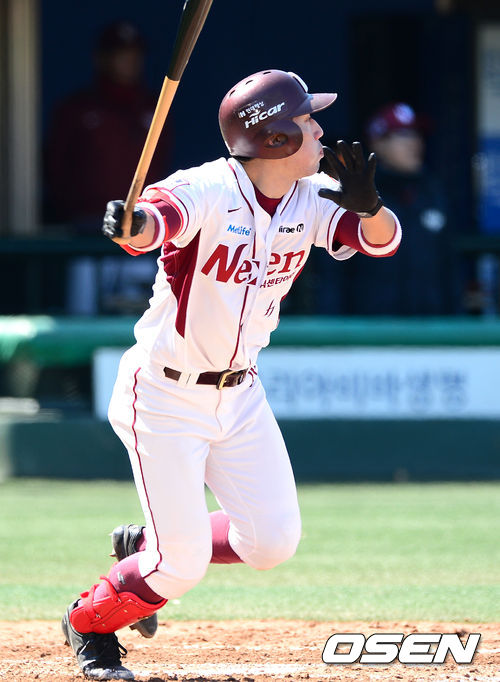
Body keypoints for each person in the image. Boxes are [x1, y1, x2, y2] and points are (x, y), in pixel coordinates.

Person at [61, 69, 402, 680]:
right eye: (306, 120)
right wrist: (131, 224)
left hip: (240, 395)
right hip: (164, 395)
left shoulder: (313, 194)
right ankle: (89, 623)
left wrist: (369, 207)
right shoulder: (205, 188)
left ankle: (149, 544)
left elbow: (383, 244)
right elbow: (153, 224)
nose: (319, 130)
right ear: (275, 139)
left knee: (272, 543)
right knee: (181, 566)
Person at [45, 21, 172, 314]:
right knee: (84, 319)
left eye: (133, 53)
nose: (128, 60)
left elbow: (162, 167)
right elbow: (56, 169)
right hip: (88, 236)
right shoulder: (77, 108)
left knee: (144, 318)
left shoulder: (153, 107)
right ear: (101, 58)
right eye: (119, 53)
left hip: (141, 230)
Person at [339, 101, 456, 315]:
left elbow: (451, 266)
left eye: (416, 135)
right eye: (403, 135)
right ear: (378, 143)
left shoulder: (433, 191)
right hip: (370, 326)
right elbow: (336, 274)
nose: (414, 143)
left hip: (432, 325)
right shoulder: (359, 193)